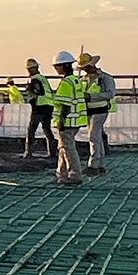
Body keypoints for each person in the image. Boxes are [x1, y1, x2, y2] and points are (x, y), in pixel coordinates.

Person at [49, 50, 87, 186]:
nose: (55, 69)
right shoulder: (75, 80)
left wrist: (61, 121)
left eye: (56, 66)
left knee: (69, 149)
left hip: (67, 122)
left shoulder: (66, 83)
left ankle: (75, 175)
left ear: (63, 66)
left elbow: (65, 105)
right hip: (74, 121)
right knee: (63, 148)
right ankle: (62, 174)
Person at [78, 51, 116, 174]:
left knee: (93, 136)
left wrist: (91, 97)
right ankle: (99, 164)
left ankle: (93, 164)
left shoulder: (105, 78)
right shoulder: (82, 80)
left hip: (100, 110)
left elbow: (110, 94)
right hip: (88, 111)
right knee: (96, 136)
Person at [20, 58, 56, 161]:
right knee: (47, 129)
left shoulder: (35, 79)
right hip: (49, 105)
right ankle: (52, 152)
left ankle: (28, 152)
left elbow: (38, 91)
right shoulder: (43, 78)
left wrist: (29, 89)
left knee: (31, 129)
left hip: (39, 106)